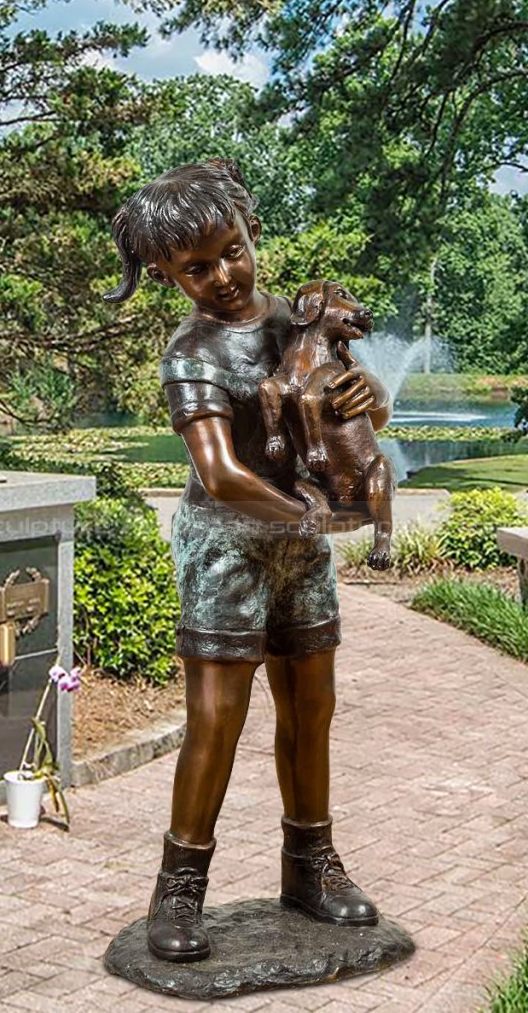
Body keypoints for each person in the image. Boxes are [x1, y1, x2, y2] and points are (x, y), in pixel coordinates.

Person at [103, 158, 392, 963]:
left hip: (300, 548)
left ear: (251, 232)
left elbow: (345, 411)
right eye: (196, 269)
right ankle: (179, 890)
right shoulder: (191, 353)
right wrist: (321, 516)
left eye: (231, 252)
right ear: (167, 276)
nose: (223, 276)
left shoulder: (298, 325)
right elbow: (223, 475)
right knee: (217, 721)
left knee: (311, 712)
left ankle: (311, 866)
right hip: (226, 550)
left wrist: (366, 397)